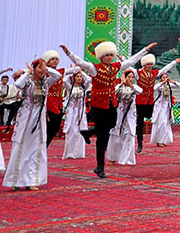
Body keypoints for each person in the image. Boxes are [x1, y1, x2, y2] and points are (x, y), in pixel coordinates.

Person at [62, 40, 157, 178]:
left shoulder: (115, 67)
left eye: (111, 55)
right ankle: (100, 167)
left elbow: (130, 61)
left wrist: (146, 50)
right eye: (106, 55)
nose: (109, 57)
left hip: (111, 103)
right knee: (102, 137)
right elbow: (81, 63)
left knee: (111, 125)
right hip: (98, 105)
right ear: (101, 56)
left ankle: (89, 133)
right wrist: (69, 53)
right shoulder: (95, 68)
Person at [3, 59, 62, 190]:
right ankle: (15, 180)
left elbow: (57, 75)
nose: (42, 71)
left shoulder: (46, 82)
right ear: (34, 68)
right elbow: (18, 84)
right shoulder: (28, 81)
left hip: (39, 120)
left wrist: (46, 69)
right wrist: (27, 71)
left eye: (44, 68)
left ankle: (32, 180)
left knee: (36, 149)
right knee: (21, 148)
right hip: (26, 119)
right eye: (39, 68)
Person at [135, 52, 180, 153]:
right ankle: (140, 143)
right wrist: (122, 60)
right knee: (140, 122)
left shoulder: (154, 73)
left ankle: (161, 138)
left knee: (154, 118)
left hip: (150, 102)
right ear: (144, 65)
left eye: (151, 64)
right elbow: (129, 65)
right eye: (148, 64)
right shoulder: (138, 73)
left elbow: (164, 70)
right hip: (140, 101)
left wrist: (174, 62)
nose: (150, 66)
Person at [107, 69, 143, 166]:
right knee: (115, 136)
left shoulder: (134, 87)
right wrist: (121, 83)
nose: (130, 79)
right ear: (124, 77)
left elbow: (140, 91)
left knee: (129, 135)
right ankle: (112, 157)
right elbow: (112, 91)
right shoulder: (119, 87)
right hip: (119, 115)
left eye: (132, 77)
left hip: (130, 116)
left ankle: (126, 159)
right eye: (129, 77)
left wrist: (131, 85)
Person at [62, 69, 91, 159]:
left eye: (80, 77)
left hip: (81, 113)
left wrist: (82, 73)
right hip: (71, 113)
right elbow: (64, 80)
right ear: (73, 78)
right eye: (77, 76)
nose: (79, 78)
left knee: (80, 131)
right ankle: (69, 153)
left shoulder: (84, 87)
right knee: (72, 132)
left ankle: (79, 153)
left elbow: (89, 80)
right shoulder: (69, 87)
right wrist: (71, 71)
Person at [150, 69, 180, 147]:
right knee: (161, 123)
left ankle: (164, 140)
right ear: (160, 78)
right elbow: (154, 88)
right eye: (163, 77)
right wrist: (162, 83)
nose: (165, 79)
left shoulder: (169, 85)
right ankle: (159, 140)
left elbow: (179, 85)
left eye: (166, 77)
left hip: (167, 107)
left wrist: (172, 81)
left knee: (166, 123)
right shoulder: (159, 86)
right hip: (160, 107)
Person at [41, 50, 66, 147]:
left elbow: (73, 70)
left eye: (56, 59)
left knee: (56, 126)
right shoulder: (44, 74)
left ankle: (45, 145)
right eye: (52, 59)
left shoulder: (61, 71)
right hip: (49, 102)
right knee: (48, 126)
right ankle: (43, 146)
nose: (55, 61)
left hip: (58, 102)